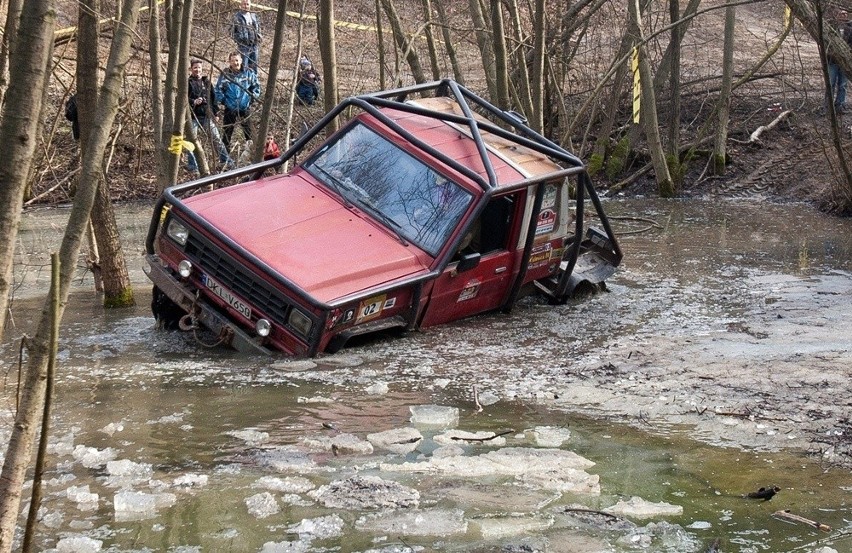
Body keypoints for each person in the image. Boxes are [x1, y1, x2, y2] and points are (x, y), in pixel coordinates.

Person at [186, 58, 233, 173]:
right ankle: (193, 166)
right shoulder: (187, 83)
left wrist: (216, 113)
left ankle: (226, 161)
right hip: (193, 116)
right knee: (191, 142)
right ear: (191, 69)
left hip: (207, 115)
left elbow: (213, 98)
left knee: (216, 138)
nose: (197, 70)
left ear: (202, 69)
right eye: (195, 68)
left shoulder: (206, 82)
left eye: (199, 67)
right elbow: (184, 99)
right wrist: (193, 102)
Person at [214, 51, 261, 162]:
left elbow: (256, 88)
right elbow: (218, 90)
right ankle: (225, 158)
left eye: (237, 60)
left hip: (245, 108)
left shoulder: (249, 73)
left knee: (249, 133)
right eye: (232, 60)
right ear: (229, 62)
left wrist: (250, 100)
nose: (235, 63)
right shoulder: (225, 74)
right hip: (230, 108)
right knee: (227, 133)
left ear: (241, 60)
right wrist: (225, 101)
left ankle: (252, 156)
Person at [827, 9, 852, 114]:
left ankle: (840, 105)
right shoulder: (831, 27)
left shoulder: (850, 28)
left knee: (843, 84)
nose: (843, 16)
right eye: (841, 14)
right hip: (832, 60)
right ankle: (828, 105)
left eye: (845, 14)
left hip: (845, 60)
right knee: (831, 83)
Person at [231, 0, 261, 72]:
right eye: (244, 4)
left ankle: (253, 82)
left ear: (250, 5)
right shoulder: (237, 17)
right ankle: (244, 82)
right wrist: (239, 40)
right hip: (243, 47)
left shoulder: (254, 16)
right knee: (244, 67)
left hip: (254, 46)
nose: (246, 6)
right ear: (240, 5)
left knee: (254, 68)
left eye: (247, 4)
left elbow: (259, 28)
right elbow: (231, 32)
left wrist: (259, 37)